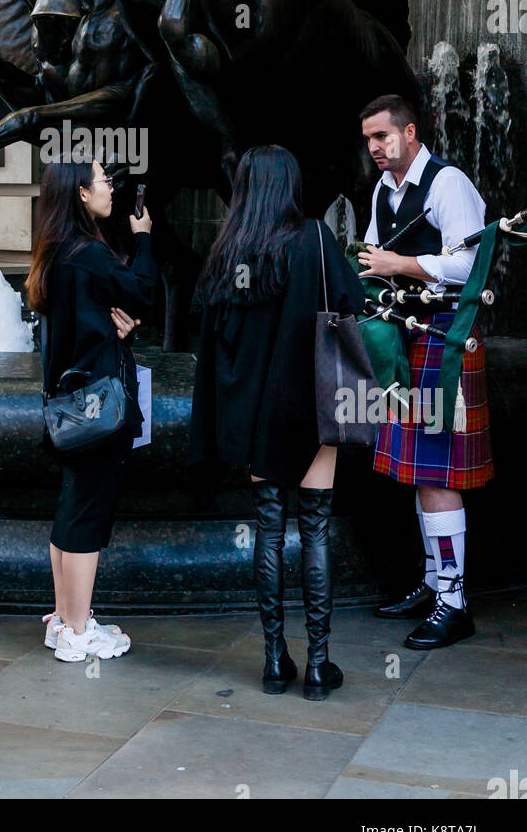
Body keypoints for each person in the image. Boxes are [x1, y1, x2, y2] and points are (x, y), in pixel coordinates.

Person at [189, 145, 366, 700]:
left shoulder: (229, 253)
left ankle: (272, 661)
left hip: (254, 417)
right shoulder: (314, 239)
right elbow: (351, 302)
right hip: (310, 407)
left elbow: (214, 344)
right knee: (313, 529)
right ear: (290, 186)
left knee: (269, 529)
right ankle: (318, 665)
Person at [358, 94, 491, 649]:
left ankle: (454, 604)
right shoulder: (383, 190)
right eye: (368, 141)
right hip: (406, 342)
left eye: (382, 138)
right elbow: (371, 248)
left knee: (436, 472)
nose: (374, 149)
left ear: (410, 132)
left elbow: (470, 261)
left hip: (447, 340)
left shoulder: (448, 182)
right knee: (421, 472)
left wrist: (398, 265)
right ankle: (435, 583)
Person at [26, 157, 158, 662]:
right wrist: (143, 238)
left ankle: (65, 619)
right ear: (81, 194)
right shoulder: (89, 254)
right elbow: (143, 291)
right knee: (88, 514)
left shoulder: (59, 252)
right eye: (103, 181)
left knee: (72, 509)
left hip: (70, 406)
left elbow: (88, 321)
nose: (110, 188)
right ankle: (78, 634)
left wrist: (117, 326)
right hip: (98, 408)